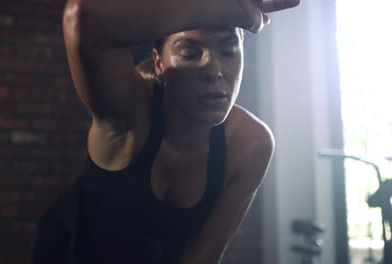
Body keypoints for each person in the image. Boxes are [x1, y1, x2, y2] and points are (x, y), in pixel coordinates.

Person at [33, 0, 300, 263]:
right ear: (159, 63)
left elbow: (202, 258)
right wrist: (236, 8)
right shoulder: (129, 117)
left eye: (229, 51)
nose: (215, 71)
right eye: (190, 54)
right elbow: (82, 16)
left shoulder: (251, 143)